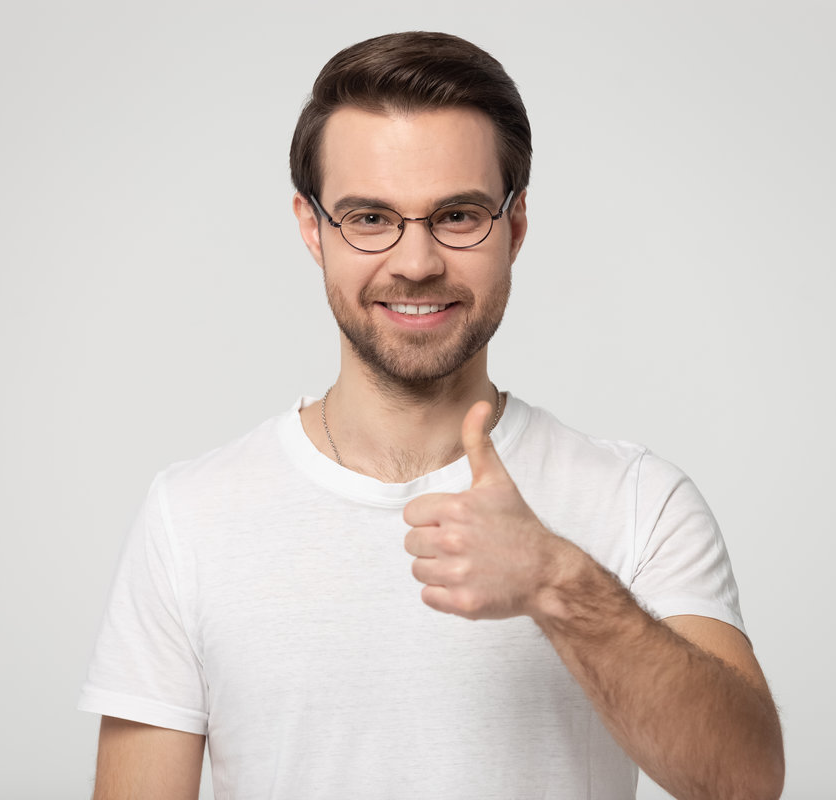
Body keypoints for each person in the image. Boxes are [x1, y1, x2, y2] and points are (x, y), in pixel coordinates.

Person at [77, 31, 784, 800]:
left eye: (457, 215)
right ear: (312, 229)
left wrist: (558, 580)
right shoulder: (191, 516)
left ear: (514, 228)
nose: (416, 263)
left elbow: (745, 783)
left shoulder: (637, 500)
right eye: (370, 218)